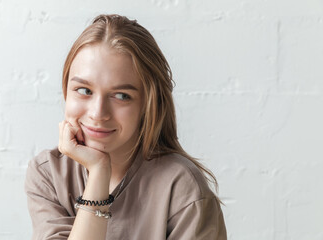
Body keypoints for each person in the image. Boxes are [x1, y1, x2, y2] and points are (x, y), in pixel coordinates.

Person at [25, 14, 227, 240]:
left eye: (121, 96)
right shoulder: (48, 173)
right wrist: (99, 172)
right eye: (84, 90)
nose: (98, 113)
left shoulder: (182, 189)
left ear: (148, 104)